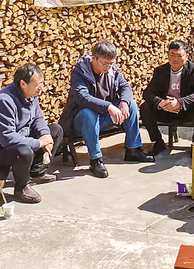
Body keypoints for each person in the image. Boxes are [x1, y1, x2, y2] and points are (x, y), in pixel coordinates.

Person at [58, 40, 154, 179]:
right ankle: (96, 160)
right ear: (94, 58)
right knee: (88, 114)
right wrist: (109, 106)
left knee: (131, 104)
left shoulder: (112, 70)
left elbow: (125, 87)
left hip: (103, 118)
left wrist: (124, 102)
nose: (108, 67)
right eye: (105, 64)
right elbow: (82, 97)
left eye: (111, 63)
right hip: (81, 122)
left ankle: (133, 149)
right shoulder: (79, 72)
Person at [0, 64, 63, 204]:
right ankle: (21, 187)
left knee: (55, 131)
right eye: (37, 84)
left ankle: (36, 172)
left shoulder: (31, 96)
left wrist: (45, 136)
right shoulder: (4, 101)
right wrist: (38, 143)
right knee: (24, 151)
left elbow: (38, 118)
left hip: (20, 137)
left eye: (42, 83)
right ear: (23, 84)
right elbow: (7, 138)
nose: (41, 88)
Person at [140, 40, 194, 155]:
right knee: (145, 107)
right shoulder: (160, 71)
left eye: (179, 56)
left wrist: (180, 103)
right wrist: (160, 103)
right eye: (172, 55)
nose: (175, 59)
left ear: (186, 56)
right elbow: (147, 93)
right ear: (168, 56)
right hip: (165, 110)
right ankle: (158, 142)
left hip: (186, 110)